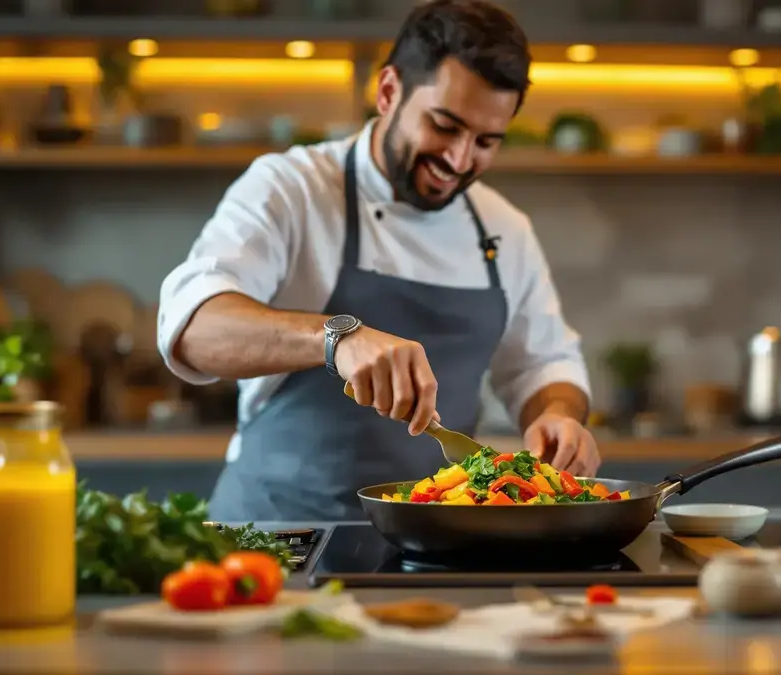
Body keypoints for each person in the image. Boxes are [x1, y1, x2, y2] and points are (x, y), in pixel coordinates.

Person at [157, 0, 599, 522]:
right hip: (279, 533)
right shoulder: (290, 187)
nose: (459, 160)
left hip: (431, 541)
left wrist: (557, 415)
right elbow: (192, 325)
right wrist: (335, 337)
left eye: (486, 142)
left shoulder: (503, 226)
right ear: (388, 92)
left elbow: (544, 362)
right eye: (444, 126)